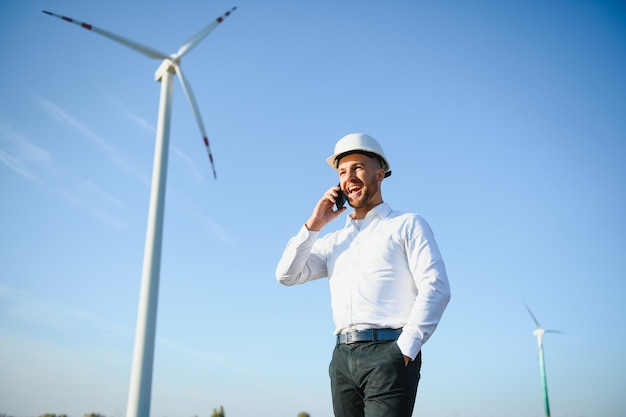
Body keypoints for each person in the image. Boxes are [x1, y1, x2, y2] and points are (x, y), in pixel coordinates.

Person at [275, 133, 451, 417]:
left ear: (380, 174)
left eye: (358, 167)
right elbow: (286, 275)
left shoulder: (407, 225)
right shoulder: (333, 242)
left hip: (390, 352)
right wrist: (314, 223)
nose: (349, 177)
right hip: (342, 360)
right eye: (342, 172)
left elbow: (436, 287)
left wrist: (405, 349)